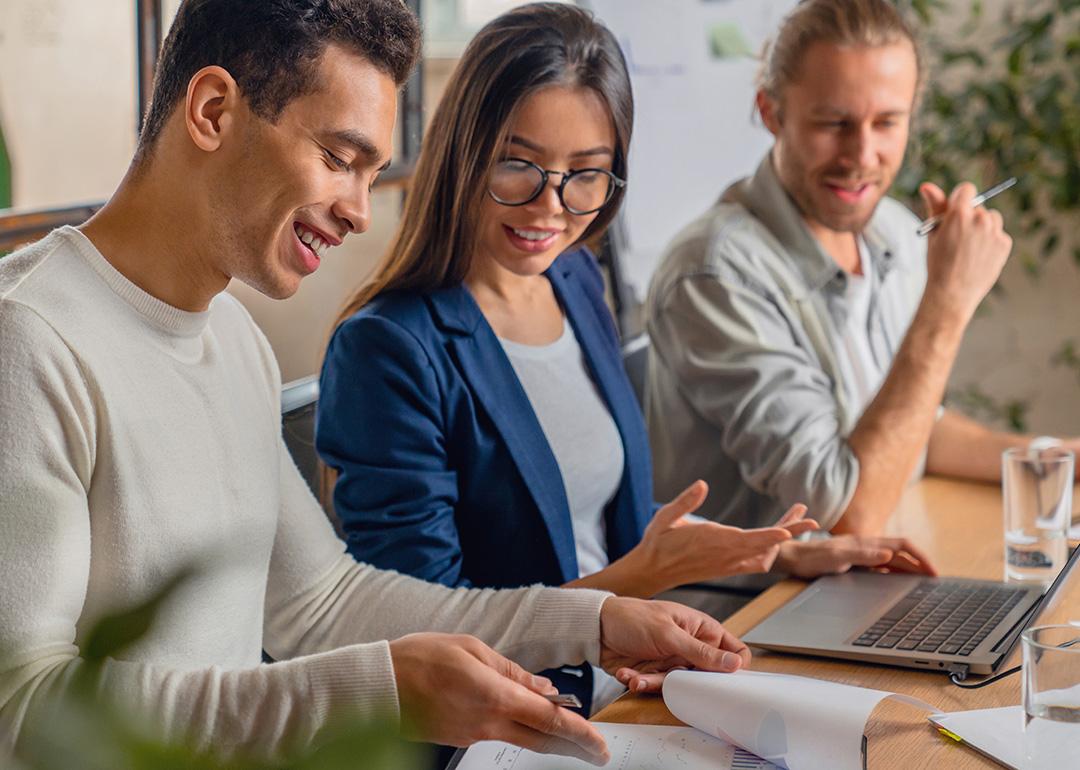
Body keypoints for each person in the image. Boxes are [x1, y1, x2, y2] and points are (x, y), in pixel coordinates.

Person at [0, 1, 762, 765]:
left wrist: (592, 620)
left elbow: (321, 602)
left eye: (371, 172)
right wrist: (378, 690)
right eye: (338, 158)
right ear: (212, 111)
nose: (361, 213)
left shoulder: (233, 338)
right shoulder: (28, 340)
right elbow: (20, 708)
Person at [315, 2, 934, 717]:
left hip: (629, 686)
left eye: (586, 173)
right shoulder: (389, 349)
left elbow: (597, 513)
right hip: (513, 723)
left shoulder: (573, 279)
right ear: (464, 149)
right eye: (519, 165)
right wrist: (628, 594)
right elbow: (418, 637)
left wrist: (777, 554)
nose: (551, 206)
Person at [645, 0, 1078, 536]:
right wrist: (948, 302)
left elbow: (912, 432)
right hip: (754, 608)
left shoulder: (892, 230)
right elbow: (845, 512)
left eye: (887, 122)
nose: (862, 154)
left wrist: (1056, 458)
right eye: (834, 123)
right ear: (771, 113)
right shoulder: (715, 275)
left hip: (861, 582)